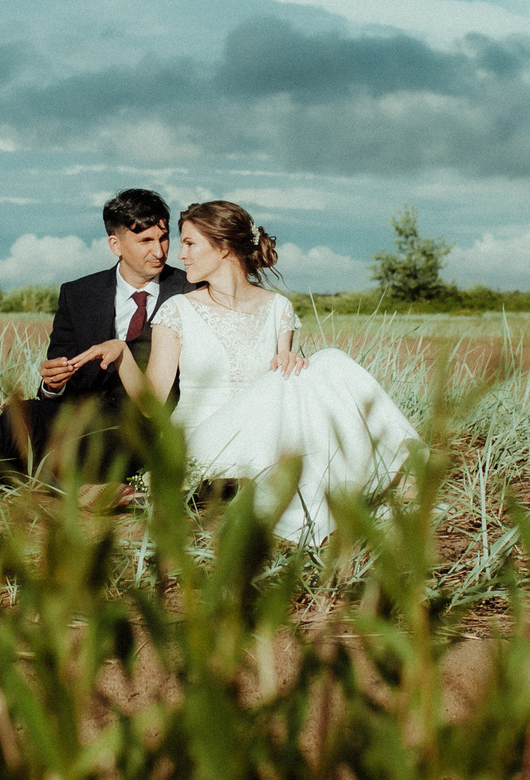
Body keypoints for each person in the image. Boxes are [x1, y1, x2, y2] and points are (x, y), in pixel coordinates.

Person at [126, 199, 419, 543]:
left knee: (329, 359)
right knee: (291, 379)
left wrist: (291, 360)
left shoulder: (278, 307)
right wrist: (121, 356)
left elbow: (286, 386)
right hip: (201, 440)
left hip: (265, 434)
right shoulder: (177, 310)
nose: (181, 255)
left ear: (222, 248)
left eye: (189, 243)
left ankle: (402, 469)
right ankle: (374, 479)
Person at [0, 188, 193, 517]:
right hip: (79, 429)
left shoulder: (190, 289)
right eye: (145, 241)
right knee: (22, 430)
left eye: (163, 239)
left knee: (22, 427)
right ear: (115, 245)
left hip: (147, 434)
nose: (158, 251)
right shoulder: (77, 295)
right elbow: (52, 387)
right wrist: (53, 384)